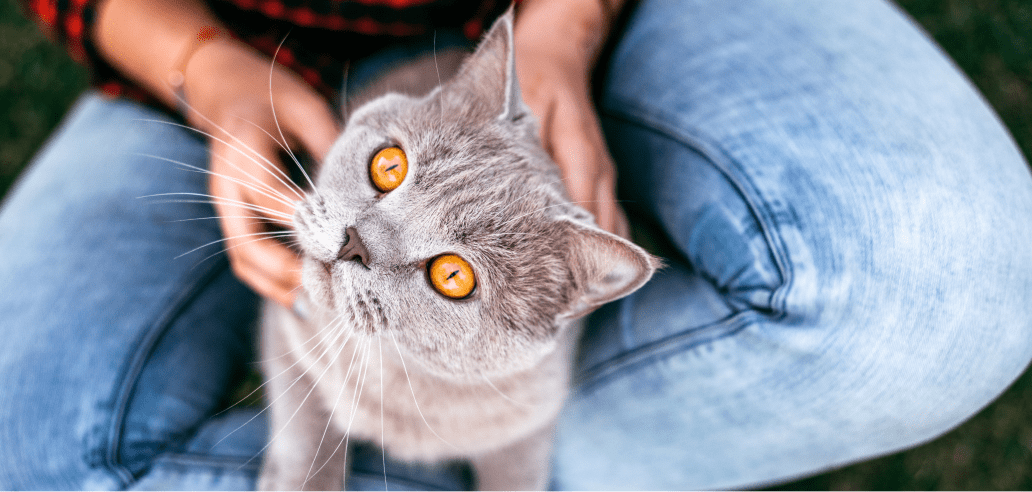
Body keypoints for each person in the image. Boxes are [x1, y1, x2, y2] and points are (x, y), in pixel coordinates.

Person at [2, 0, 1031, 488]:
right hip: (241, 40)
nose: (351, 247)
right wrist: (201, 66)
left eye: (445, 271)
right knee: (23, 446)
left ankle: (512, 449)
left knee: (937, 286)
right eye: (384, 181)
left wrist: (564, 26)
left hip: (587, 19)